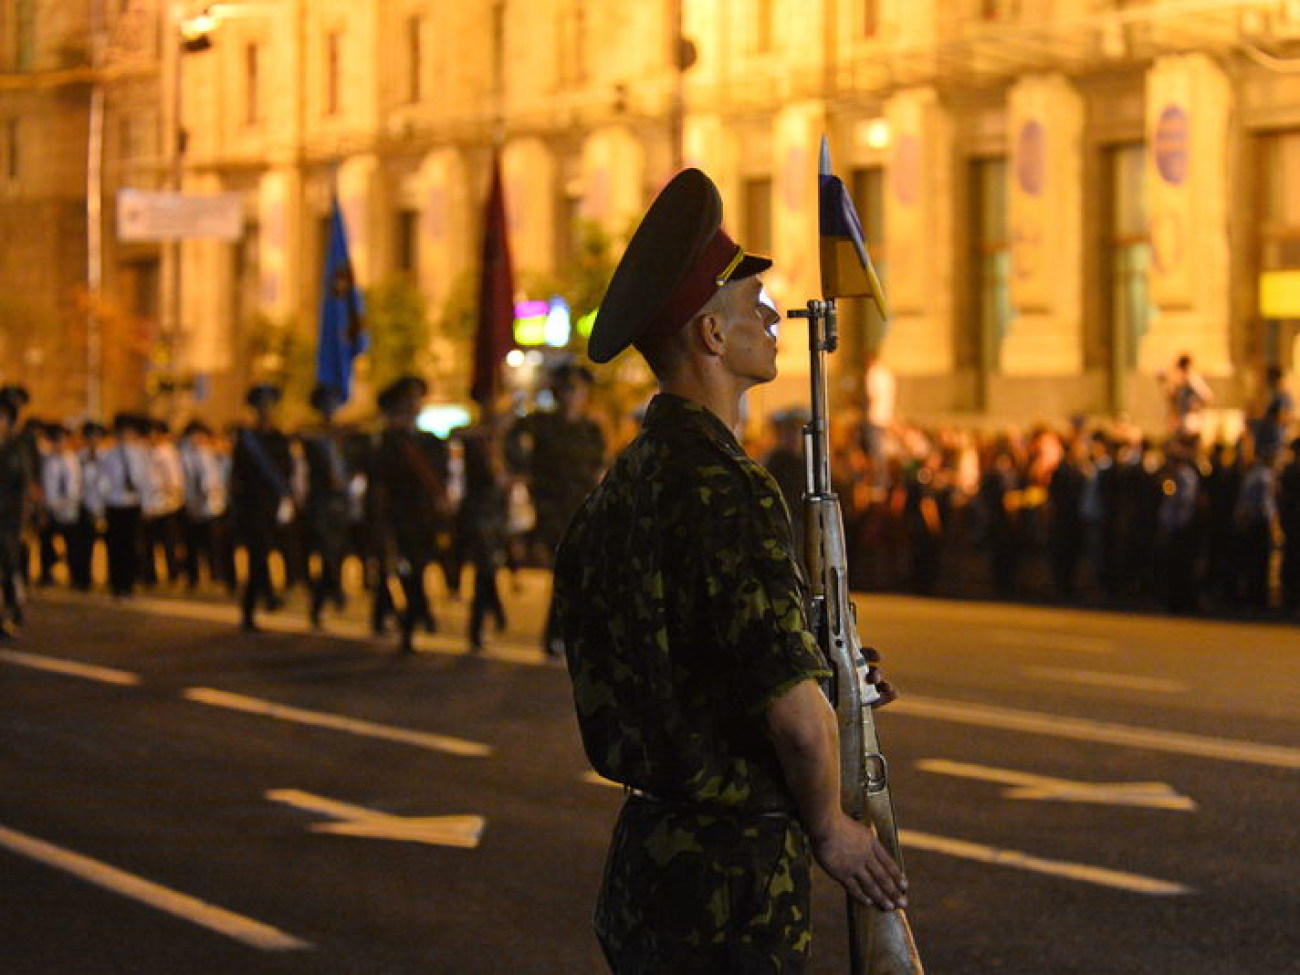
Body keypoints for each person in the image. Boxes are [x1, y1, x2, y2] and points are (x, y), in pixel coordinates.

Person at [551, 169, 906, 973]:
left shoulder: (623, 487)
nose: (775, 316)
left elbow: (679, 660)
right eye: (754, 306)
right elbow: (791, 713)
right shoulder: (727, 487)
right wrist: (830, 829)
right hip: (731, 878)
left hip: (648, 860)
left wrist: (833, 667)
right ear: (710, 337)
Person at [507, 362, 606, 655]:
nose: (573, 395)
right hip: (552, 508)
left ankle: (566, 634)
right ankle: (556, 634)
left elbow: (599, 466)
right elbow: (511, 436)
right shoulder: (543, 423)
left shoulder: (590, 429)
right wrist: (522, 470)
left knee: (580, 574)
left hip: (583, 507)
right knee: (566, 571)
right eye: (567, 389)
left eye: (578, 389)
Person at [369, 375, 451, 653]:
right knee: (405, 569)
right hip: (397, 517)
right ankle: (411, 620)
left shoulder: (430, 441)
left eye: (416, 399)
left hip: (424, 517)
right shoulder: (387, 442)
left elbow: (442, 477)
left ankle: (412, 615)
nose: (414, 405)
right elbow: (379, 483)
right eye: (408, 400)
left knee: (419, 567)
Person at [230, 384, 294, 632]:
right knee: (258, 555)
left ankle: (267, 596)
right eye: (261, 406)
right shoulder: (247, 440)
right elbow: (238, 475)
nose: (266, 410)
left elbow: (287, 469)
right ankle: (251, 608)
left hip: (274, 504)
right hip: (252, 506)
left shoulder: (279, 438)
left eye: (269, 405)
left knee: (272, 553)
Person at [300, 384, 353, 629]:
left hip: (340, 500)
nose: (330, 409)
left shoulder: (343, 438)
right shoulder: (312, 436)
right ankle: (336, 592)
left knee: (337, 551)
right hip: (320, 500)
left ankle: (320, 602)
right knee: (327, 550)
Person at [100, 413, 151, 598]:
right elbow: (103, 480)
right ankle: (116, 584)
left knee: (131, 546)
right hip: (114, 502)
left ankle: (129, 583)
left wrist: (146, 504)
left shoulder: (140, 454)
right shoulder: (108, 455)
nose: (124, 436)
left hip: (132, 503)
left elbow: (146, 480)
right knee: (115, 546)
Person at [0, 396, 30, 638]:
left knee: (10, 568)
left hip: (8, 521)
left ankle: (14, 611)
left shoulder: (16, 449)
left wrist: (21, 521)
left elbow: (22, 488)